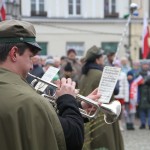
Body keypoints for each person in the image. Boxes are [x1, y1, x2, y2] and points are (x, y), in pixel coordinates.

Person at [0, 20, 100, 150]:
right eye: (30, 57)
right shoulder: (30, 101)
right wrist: (67, 100)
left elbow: (43, 122)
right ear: (14, 53)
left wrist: (77, 107)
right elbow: (72, 138)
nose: (31, 66)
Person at [79, 46, 124, 150]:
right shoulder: (101, 74)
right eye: (102, 58)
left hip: (87, 114)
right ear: (97, 59)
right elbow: (113, 94)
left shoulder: (83, 75)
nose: (103, 60)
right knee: (105, 144)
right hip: (103, 117)